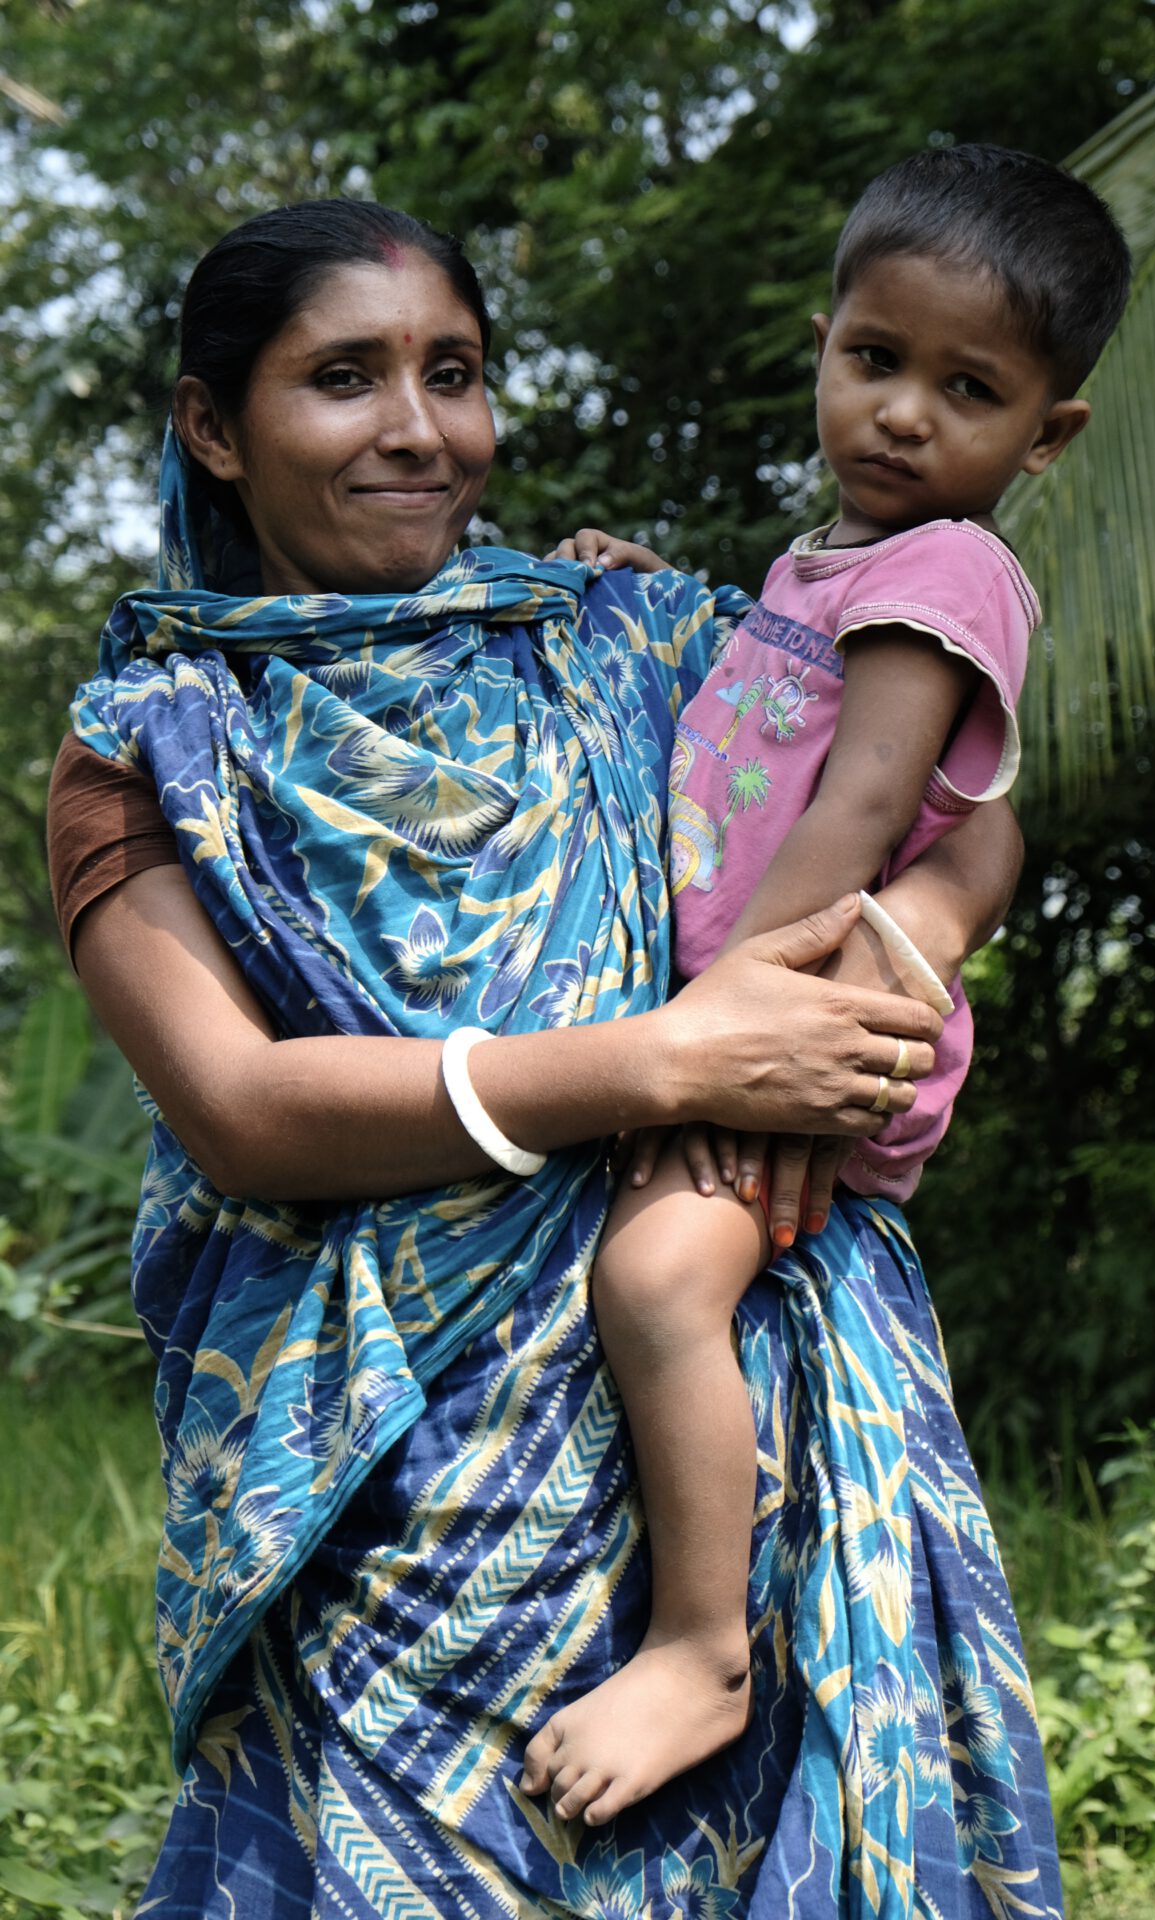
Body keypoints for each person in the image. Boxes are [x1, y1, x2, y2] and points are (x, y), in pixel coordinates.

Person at [46, 197, 1055, 1918]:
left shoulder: (622, 639)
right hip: (379, 1499)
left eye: (452, 373)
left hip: (730, 1445)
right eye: (344, 380)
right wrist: (676, 1062)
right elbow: (244, 1114)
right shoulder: (149, 751)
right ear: (214, 425)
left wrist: (880, 975)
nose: (418, 429)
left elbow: (963, 811)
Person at [522, 145, 1131, 1829]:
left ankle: (701, 1650)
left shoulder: (951, 579)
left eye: (970, 390)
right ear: (823, 345)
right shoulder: (833, 568)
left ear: (1048, 435)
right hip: (758, 1011)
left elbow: (860, 810)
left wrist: (715, 1038)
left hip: (808, 1017)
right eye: (875, 360)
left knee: (657, 1280)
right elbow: (764, 723)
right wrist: (656, 588)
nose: (905, 416)